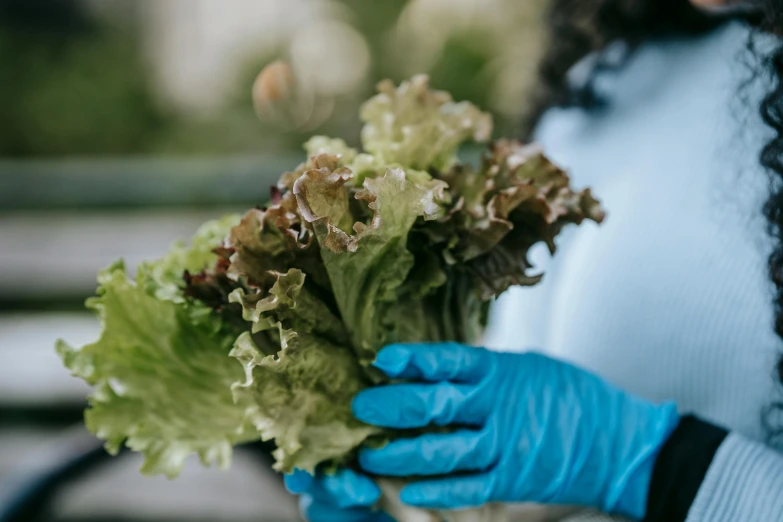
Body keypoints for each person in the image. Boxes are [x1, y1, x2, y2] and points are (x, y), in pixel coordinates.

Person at [284, 0, 783, 520]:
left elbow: (580, 448)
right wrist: (419, 493)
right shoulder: (604, 86)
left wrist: (646, 464)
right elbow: (523, 436)